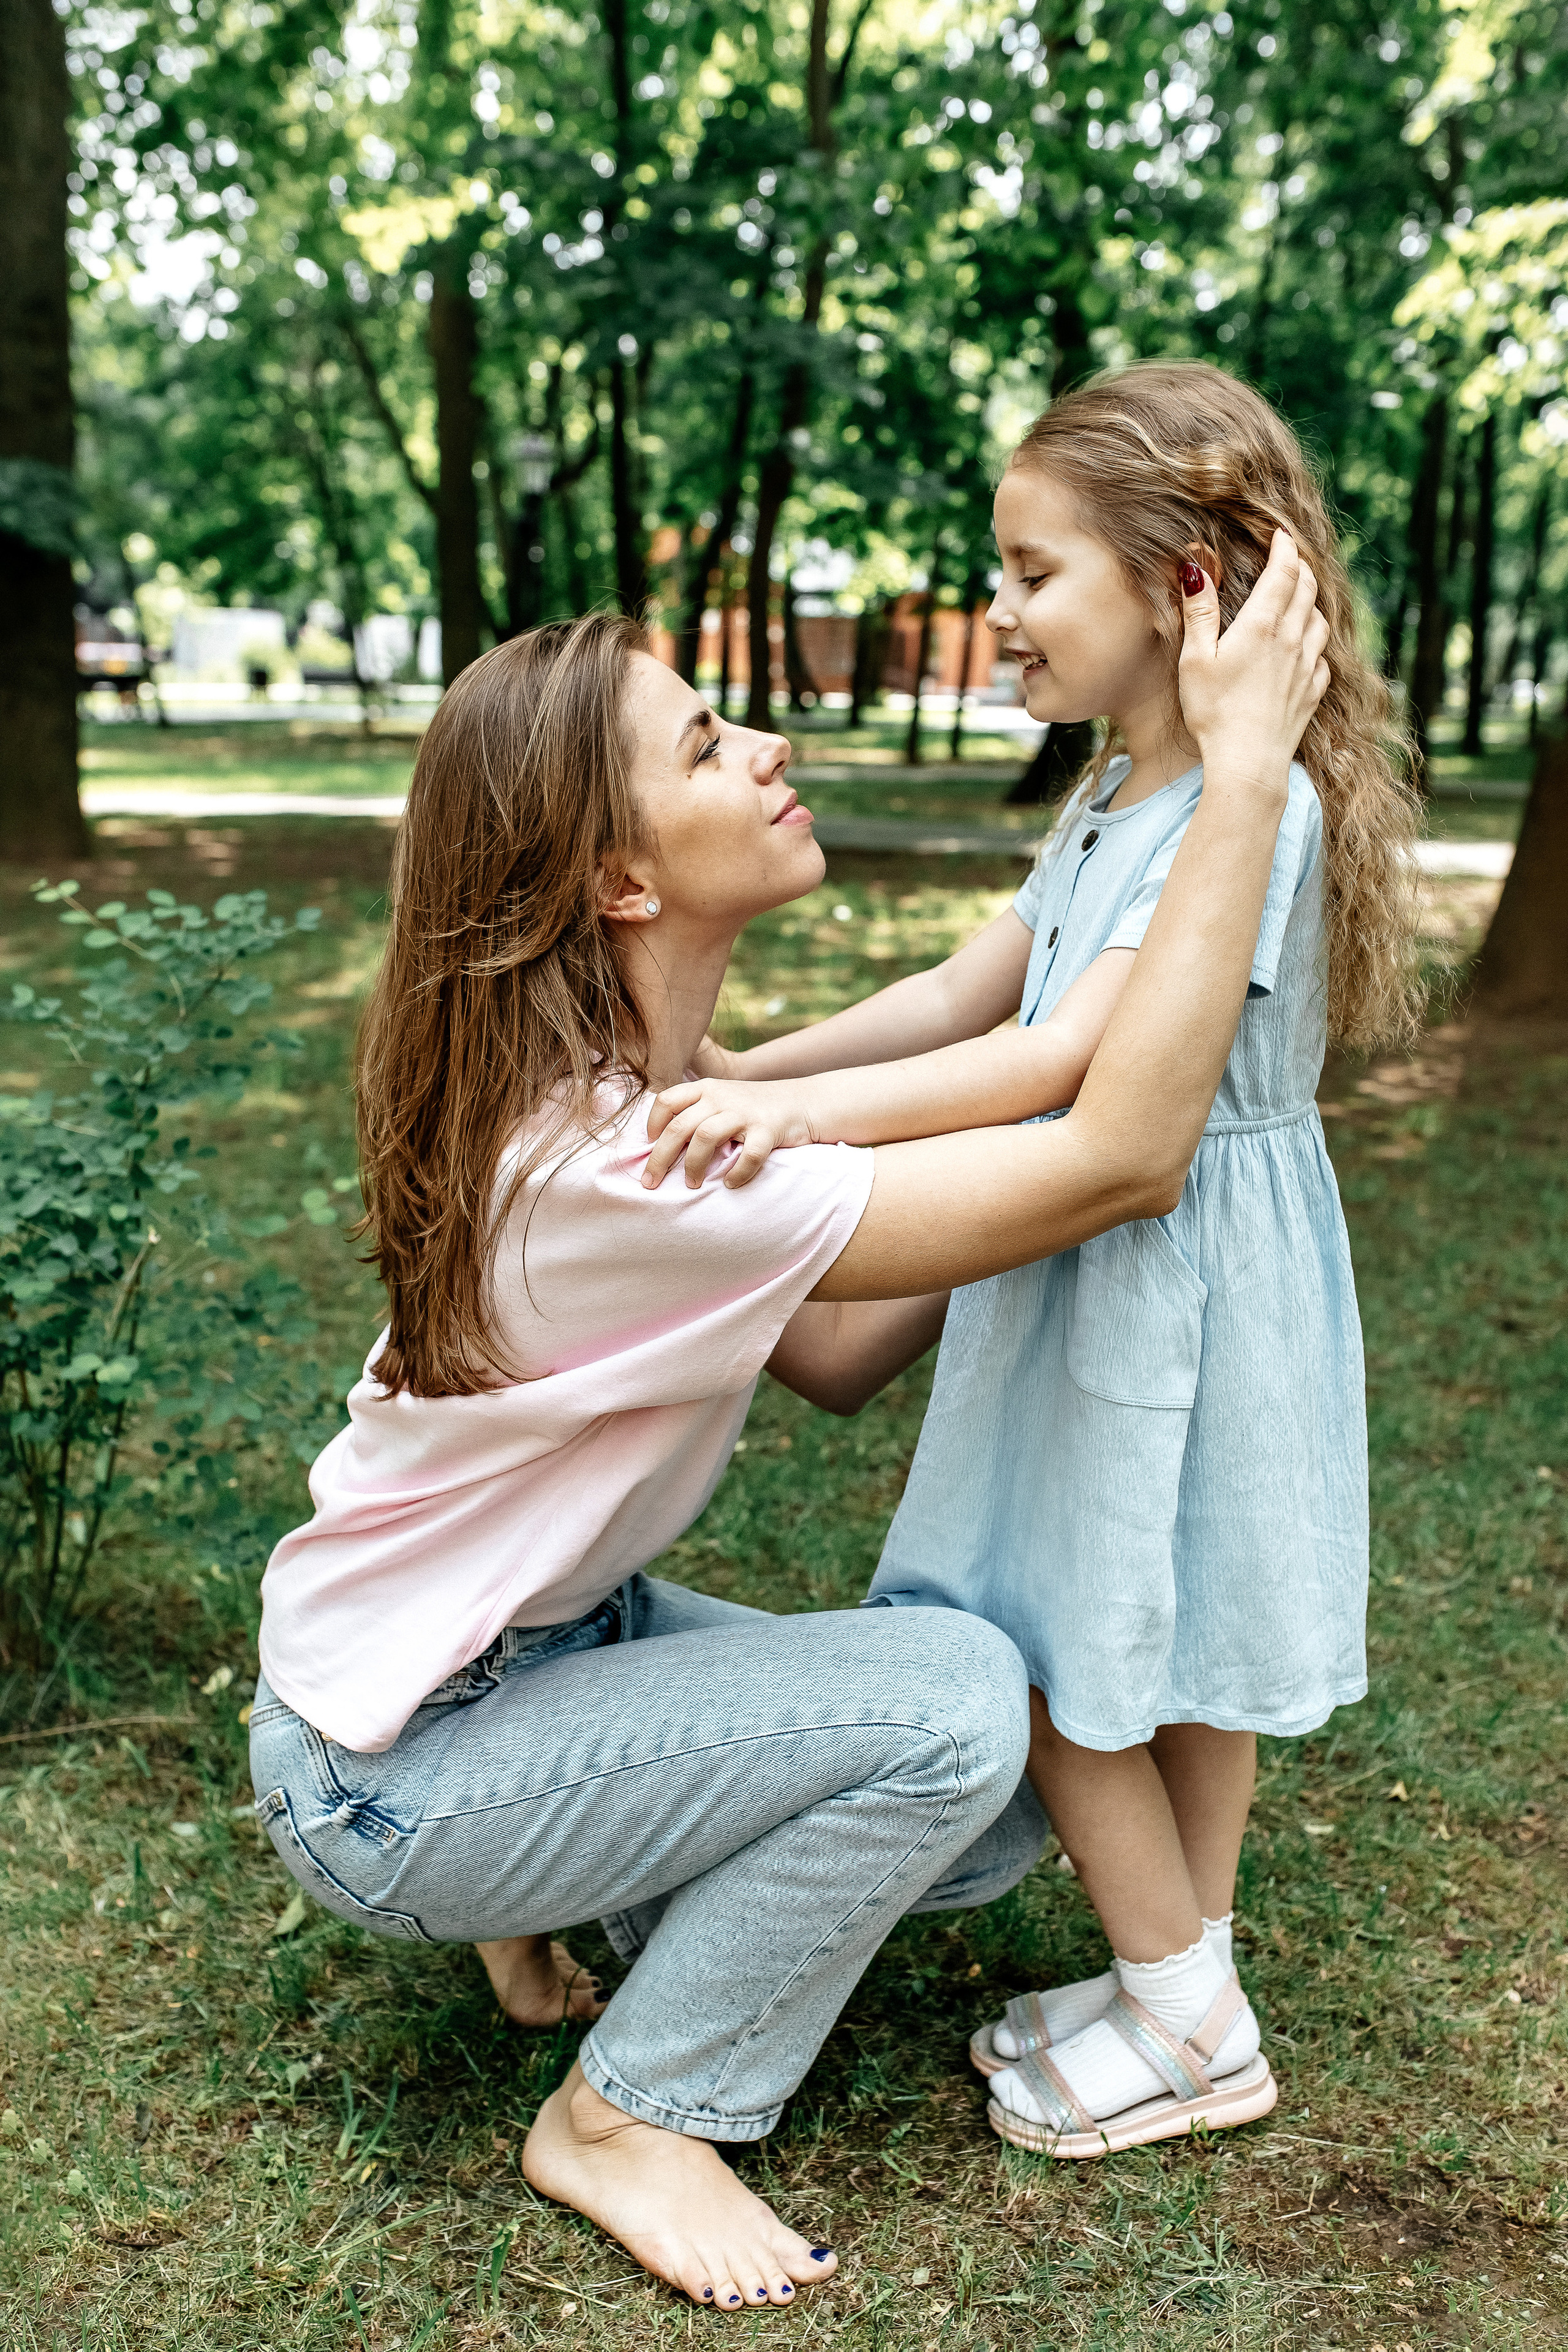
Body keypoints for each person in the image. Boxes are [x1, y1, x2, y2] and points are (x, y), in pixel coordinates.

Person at [249, 535, 1327, 2311]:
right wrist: (1248, 779)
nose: (761, 750)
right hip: (393, 1773)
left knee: (992, 1811)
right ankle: (631, 2115)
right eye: (702, 748)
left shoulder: (653, 1099)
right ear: (612, 880)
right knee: (963, 1708)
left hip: (512, 1662)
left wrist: (1008, 1206)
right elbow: (1120, 1154)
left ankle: (559, 1894)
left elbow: (831, 1351)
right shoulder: (618, 1165)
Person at [646, 363, 1419, 2162]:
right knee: (1167, 1647)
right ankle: (1182, 1976)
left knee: (1062, 1656)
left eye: (1029, 571)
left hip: (1170, 1280)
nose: (997, 611)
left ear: (1184, 589)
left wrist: (811, 1130)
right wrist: (768, 1066)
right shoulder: (1118, 795)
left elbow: (1048, 1066)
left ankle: (1191, 2024)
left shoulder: (1251, 814)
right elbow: (958, 993)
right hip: (1145, 1276)